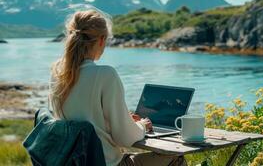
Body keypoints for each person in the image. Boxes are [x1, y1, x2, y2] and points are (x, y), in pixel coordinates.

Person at [48, 10, 186, 166]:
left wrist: (117, 119)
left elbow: (81, 117)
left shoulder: (57, 73)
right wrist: (142, 126)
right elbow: (125, 139)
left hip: (70, 162)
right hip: (105, 163)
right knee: (176, 157)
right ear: (101, 40)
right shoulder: (105, 75)